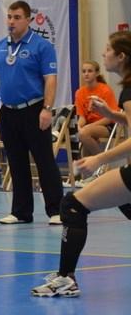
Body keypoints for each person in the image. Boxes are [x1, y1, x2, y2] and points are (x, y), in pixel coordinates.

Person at [32, 32, 131, 298]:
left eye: (108, 49)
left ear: (121, 56)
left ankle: (66, 278)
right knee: (124, 201)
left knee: (72, 205)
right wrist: (111, 115)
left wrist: (99, 158)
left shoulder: (129, 90)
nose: (103, 54)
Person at [0, 0, 63, 225]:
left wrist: (47, 109)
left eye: (17, 17)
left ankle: (56, 210)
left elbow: (50, 80)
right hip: (8, 111)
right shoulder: (0, 46)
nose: (11, 21)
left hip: (34, 110)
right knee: (16, 162)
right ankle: (21, 212)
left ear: (28, 20)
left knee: (44, 161)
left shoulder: (41, 46)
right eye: (9, 17)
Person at [73, 60, 118, 162]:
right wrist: (78, 126)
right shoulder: (80, 92)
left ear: (97, 73)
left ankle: (103, 161)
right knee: (80, 132)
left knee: (83, 133)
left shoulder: (105, 90)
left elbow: (109, 117)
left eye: (90, 71)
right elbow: (82, 117)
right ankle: (90, 168)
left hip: (107, 126)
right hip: (89, 126)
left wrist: (89, 127)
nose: (86, 74)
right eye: (84, 71)